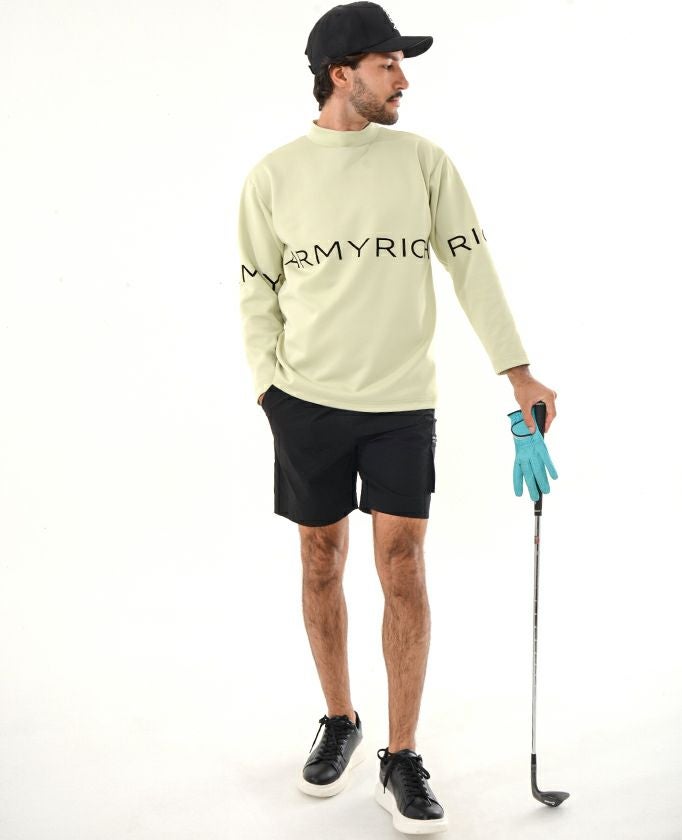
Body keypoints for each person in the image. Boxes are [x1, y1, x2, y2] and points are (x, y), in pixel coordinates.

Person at [237, 2, 558, 834]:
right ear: (340, 73)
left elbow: (471, 265)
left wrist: (517, 372)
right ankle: (340, 718)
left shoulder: (423, 162)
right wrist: (269, 387)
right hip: (306, 402)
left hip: (400, 404)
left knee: (404, 564)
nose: (403, 79)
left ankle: (402, 755)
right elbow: (257, 289)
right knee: (320, 560)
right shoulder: (274, 176)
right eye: (388, 64)